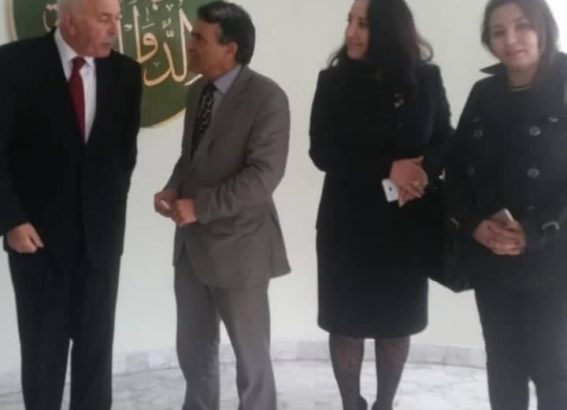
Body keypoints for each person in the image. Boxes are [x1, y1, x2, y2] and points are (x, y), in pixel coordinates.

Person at [309, 0, 452, 409]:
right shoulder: (333, 82)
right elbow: (322, 151)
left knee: (396, 324)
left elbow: (445, 138)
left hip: (406, 225)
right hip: (347, 226)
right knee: (345, 324)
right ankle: (350, 404)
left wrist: (423, 172)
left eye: (363, 24)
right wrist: (389, 167)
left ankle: (384, 404)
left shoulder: (426, 79)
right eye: (350, 21)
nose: (350, 32)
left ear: (390, 29)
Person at [0, 0, 142, 408]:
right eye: (104, 19)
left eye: (117, 19)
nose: (115, 29)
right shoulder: (14, 65)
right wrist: (11, 219)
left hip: (101, 241)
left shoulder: (126, 73)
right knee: (43, 354)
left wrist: (108, 212)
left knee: (96, 352)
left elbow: (123, 155)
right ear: (69, 20)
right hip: (36, 241)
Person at [153, 2, 290, 409]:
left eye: (199, 37)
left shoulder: (267, 98)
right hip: (191, 249)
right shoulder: (198, 92)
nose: (189, 44)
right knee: (194, 355)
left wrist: (200, 206)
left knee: (252, 361)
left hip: (240, 248)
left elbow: (263, 177)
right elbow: (191, 159)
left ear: (230, 49)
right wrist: (172, 188)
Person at [445, 0, 567, 408]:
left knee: (554, 370)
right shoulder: (484, 93)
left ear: (543, 27)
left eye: (522, 26)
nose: (511, 40)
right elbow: (456, 169)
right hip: (492, 256)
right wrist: (473, 224)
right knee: (503, 366)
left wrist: (535, 231)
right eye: (498, 32)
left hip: (554, 258)